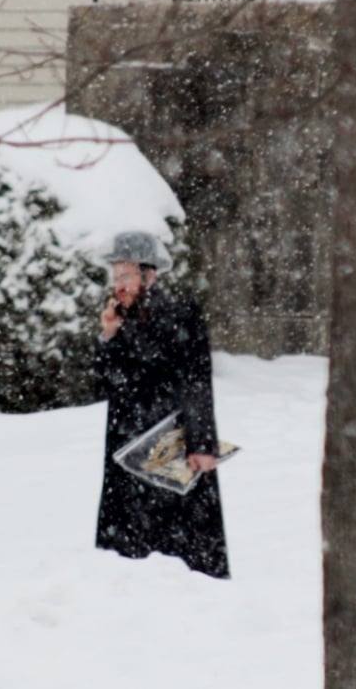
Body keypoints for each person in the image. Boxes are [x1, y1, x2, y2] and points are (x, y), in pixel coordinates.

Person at [92, 230, 230, 579]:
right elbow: (103, 384)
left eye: (126, 275)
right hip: (127, 443)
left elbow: (196, 380)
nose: (119, 284)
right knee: (128, 552)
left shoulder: (180, 312)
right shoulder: (118, 320)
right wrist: (108, 337)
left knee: (178, 547)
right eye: (115, 275)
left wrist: (201, 443)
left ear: (149, 275)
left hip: (169, 439)